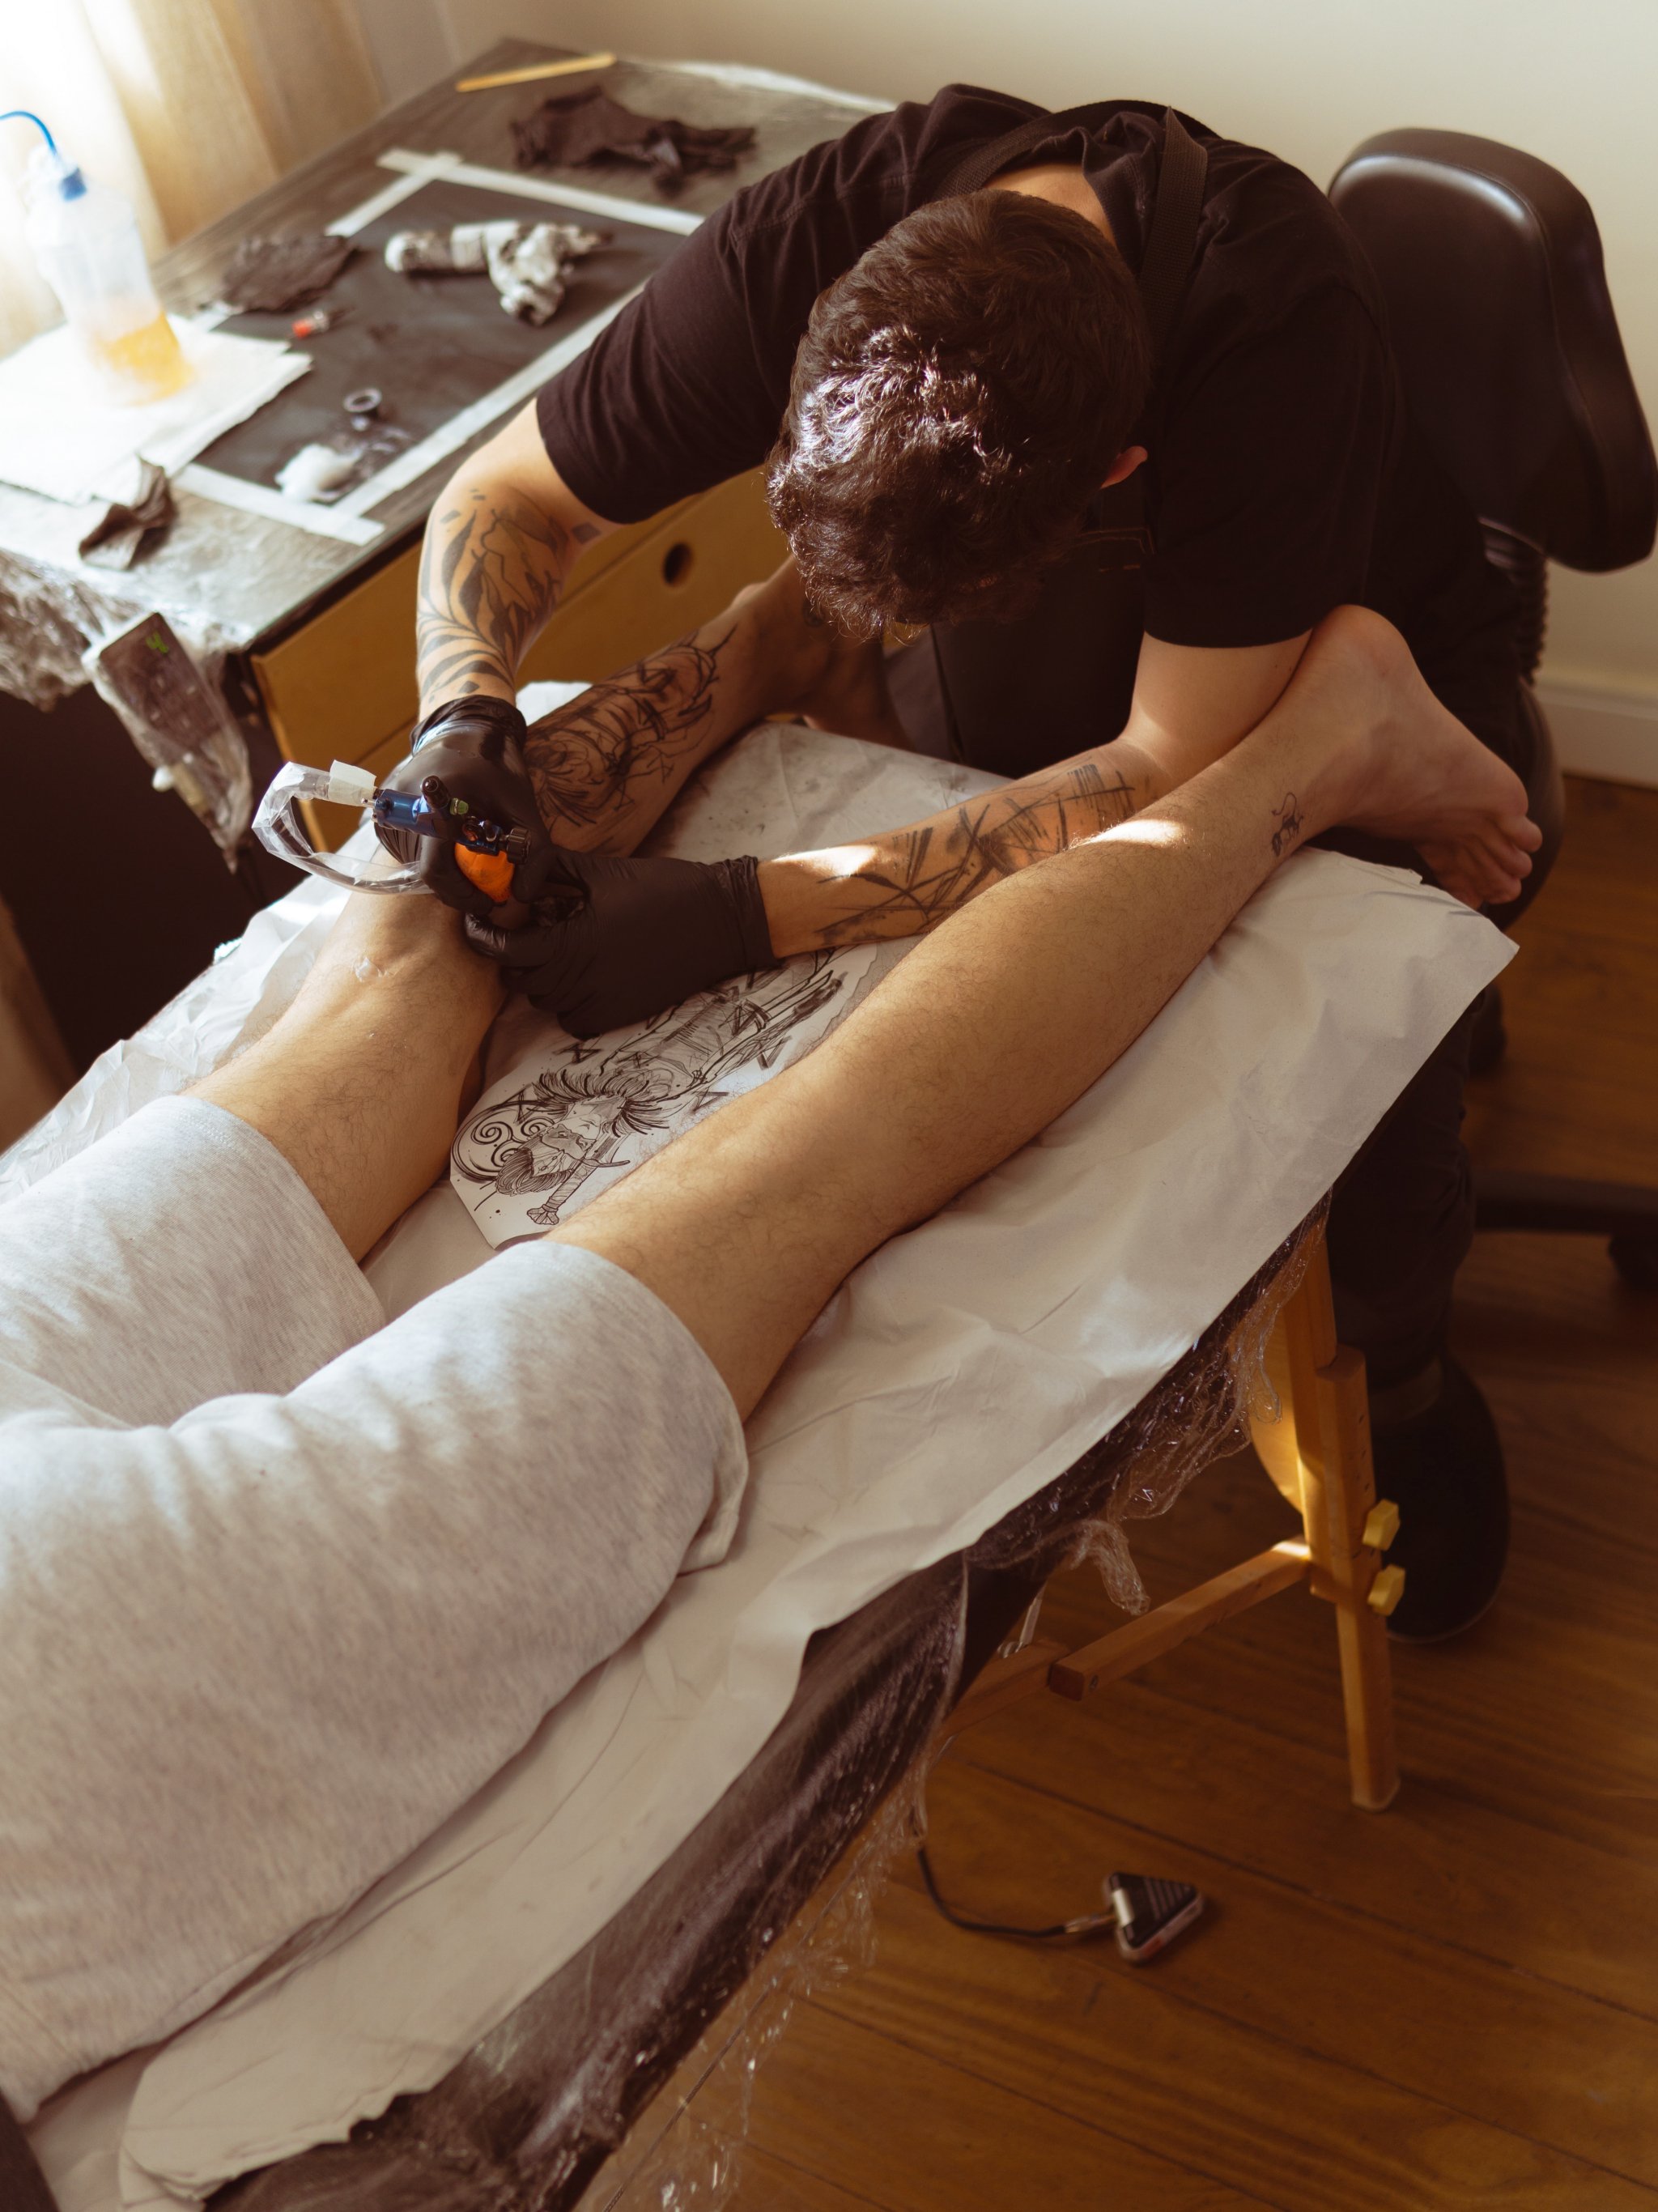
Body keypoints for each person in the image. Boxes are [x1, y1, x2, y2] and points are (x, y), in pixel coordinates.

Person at [0, 598, 1524, 2130]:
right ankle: (776, 628)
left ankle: (1316, 742)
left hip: (52, 1711)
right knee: (384, 1004)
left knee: (816, 1154)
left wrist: (669, 858)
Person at [388, 90, 1546, 1640]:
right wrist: (461, 713)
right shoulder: (814, 232)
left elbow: (1162, 769)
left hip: (1318, 645)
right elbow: (504, 497)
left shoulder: (1278, 330)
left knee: (1348, 1060)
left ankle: (1399, 1363)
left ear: (1121, 468)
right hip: (1059, 655)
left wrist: (742, 912)